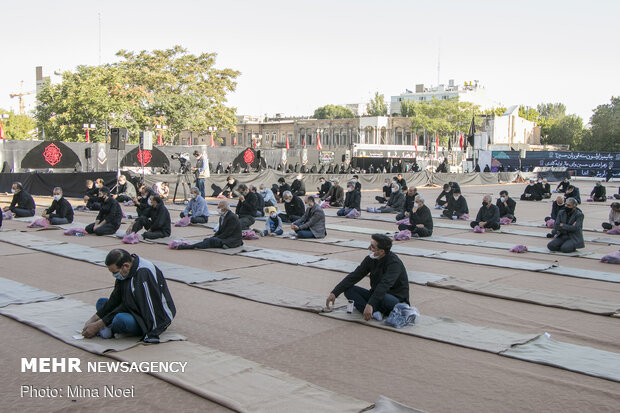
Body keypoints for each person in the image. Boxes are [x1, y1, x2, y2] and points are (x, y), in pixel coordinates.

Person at [81, 249, 176, 342]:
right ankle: (108, 326)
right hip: (134, 307)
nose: (114, 275)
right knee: (101, 302)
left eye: (114, 272)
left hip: (151, 316)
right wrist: (92, 319)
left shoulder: (142, 274)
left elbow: (128, 305)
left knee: (120, 320)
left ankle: (111, 328)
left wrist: (98, 324)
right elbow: (116, 298)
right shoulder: (127, 270)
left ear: (126, 266)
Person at [325, 234, 410, 321]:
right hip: (376, 295)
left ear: (382, 251)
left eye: (372, 247)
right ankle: (375, 313)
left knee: (384, 297)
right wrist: (335, 292)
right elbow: (355, 276)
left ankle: (373, 309)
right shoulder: (370, 259)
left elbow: (384, 285)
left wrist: (370, 304)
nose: (369, 248)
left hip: (394, 300)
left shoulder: (394, 264)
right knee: (349, 290)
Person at [178, 201, 243, 249]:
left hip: (233, 239)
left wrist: (216, 238)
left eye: (219, 207)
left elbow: (227, 233)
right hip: (225, 237)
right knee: (208, 240)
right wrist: (214, 236)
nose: (218, 209)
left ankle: (190, 247)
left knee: (212, 241)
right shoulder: (222, 217)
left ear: (224, 208)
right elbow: (220, 231)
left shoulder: (232, 217)